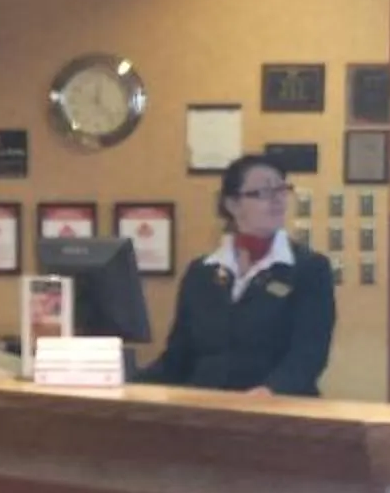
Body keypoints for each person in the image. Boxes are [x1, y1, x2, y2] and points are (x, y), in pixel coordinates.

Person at [136, 155, 336, 396]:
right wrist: (130, 385)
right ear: (232, 204)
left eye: (282, 189)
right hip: (205, 410)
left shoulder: (309, 269)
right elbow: (177, 357)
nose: (277, 200)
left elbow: (308, 354)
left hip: (278, 412)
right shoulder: (201, 273)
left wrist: (269, 391)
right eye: (263, 192)